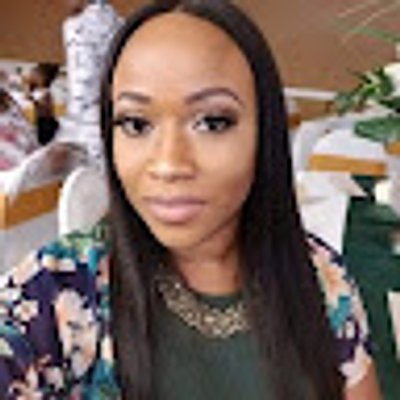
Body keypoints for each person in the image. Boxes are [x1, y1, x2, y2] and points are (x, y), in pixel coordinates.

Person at [0, 1, 382, 399]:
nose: (169, 164)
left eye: (212, 122)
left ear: (264, 134)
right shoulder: (50, 297)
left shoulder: (320, 280)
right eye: (136, 124)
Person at [59, 0, 123, 170]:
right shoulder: (120, 24)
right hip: (116, 118)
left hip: (88, 126)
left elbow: (82, 83)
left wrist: (68, 132)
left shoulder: (77, 27)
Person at [25, 63, 60, 146]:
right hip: (43, 123)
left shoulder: (45, 92)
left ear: (42, 78)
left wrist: (32, 97)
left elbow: (34, 100)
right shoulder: (39, 91)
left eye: (34, 74)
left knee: (44, 144)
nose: (30, 76)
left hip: (47, 125)